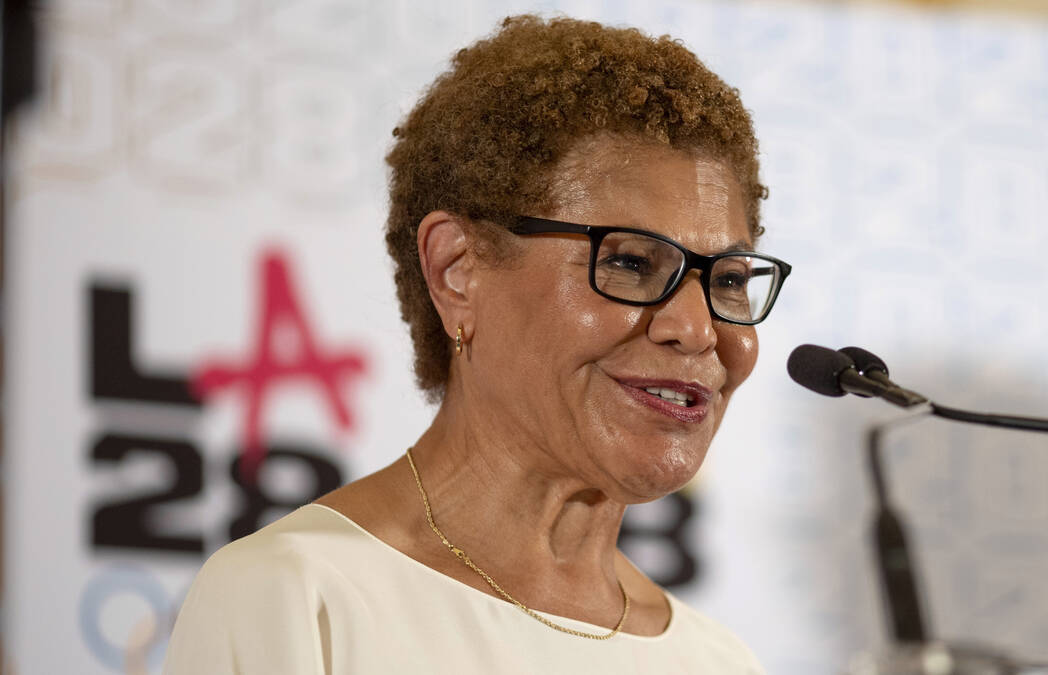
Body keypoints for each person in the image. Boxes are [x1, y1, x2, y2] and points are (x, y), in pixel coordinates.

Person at [164, 14, 790, 674]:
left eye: (727, 280)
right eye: (632, 263)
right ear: (456, 269)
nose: (696, 328)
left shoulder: (716, 660)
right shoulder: (296, 595)